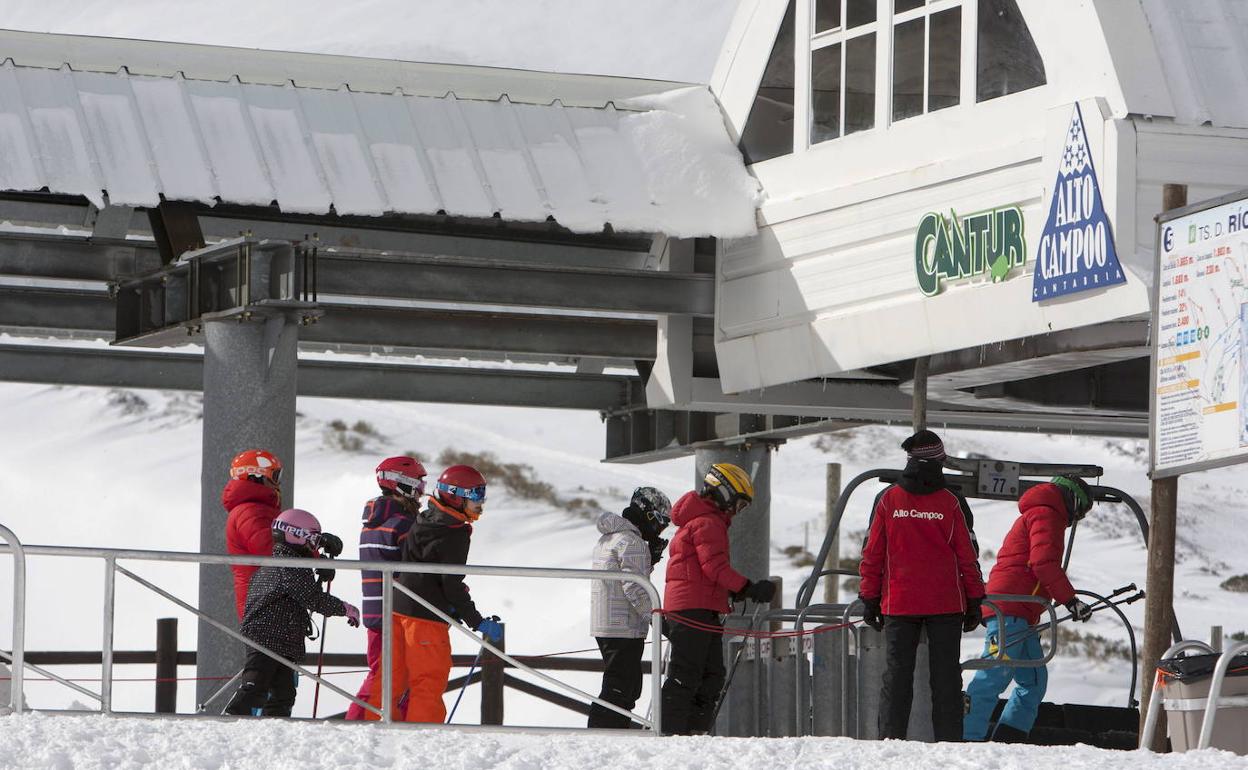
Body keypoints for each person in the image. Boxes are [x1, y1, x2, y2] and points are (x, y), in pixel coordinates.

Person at [858, 429, 985, 742]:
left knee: (897, 677)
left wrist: (869, 598)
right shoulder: (951, 501)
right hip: (946, 604)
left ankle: (890, 743)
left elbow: (872, 554)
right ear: (939, 461)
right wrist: (974, 600)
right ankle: (950, 745)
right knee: (945, 680)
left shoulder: (888, 499)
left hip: (898, 602)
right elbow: (968, 556)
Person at [963, 474, 1096, 743]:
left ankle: (1010, 738)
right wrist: (1070, 600)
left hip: (1022, 610)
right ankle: (966, 739)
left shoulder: (1045, 512)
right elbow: (1043, 563)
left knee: (1033, 681)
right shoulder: (1047, 514)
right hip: (1010, 607)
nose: (1076, 520)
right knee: (994, 675)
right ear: (1072, 500)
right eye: (1080, 512)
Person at [365, 464, 502, 723]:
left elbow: (416, 566)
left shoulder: (424, 518)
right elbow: (452, 583)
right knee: (427, 680)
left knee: (391, 678)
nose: (481, 504)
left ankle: (374, 729)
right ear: (454, 495)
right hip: (424, 619)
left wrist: (447, 604)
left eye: (483, 496)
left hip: (397, 611)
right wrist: (476, 620)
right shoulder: (455, 532)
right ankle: (424, 736)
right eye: (475, 496)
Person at [661, 463, 775, 735]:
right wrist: (747, 587)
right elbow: (714, 567)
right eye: (738, 504)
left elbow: (707, 570)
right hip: (693, 608)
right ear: (724, 492)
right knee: (688, 673)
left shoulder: (702, 520)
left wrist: (735, 590)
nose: (737, 512)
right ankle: (672, 732)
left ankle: (690, 732)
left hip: (697, 607)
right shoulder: (708, 522)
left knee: (710, 675)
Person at [224, 508, 359, 717]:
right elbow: (311, 598)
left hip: (282, 639)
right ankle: (230, 717)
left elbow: (302, 592)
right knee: (256, 685)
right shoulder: (288, 567)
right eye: (312, 540)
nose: (313, 547)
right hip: (266, 638)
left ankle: (276, 729)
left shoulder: (285, 564)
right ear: (295, 535)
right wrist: (344, 608)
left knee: (284, 693)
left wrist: (320, 565)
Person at [345, 456, 426, 721]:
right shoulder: (402, 523)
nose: (421, 491)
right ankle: (355, 727)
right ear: (401, 484)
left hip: (377, 611)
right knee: (386, 678)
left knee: (391, 677)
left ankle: (394, 724)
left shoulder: (374, 522)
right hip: (396, 613)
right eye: (417, 484)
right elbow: (414, 569)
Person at [588, 486, 672, 729]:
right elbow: (634, 587)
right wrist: (657, 619)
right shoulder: (631, 541)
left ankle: (614, 729)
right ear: (648, 515)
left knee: (626, 683)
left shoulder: (611, 537)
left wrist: (650, 559)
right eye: (660, 522)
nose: (660, 529)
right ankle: (604, 732)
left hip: (608, 621)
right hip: (623, 624)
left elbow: (628, 577)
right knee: (621, 685)